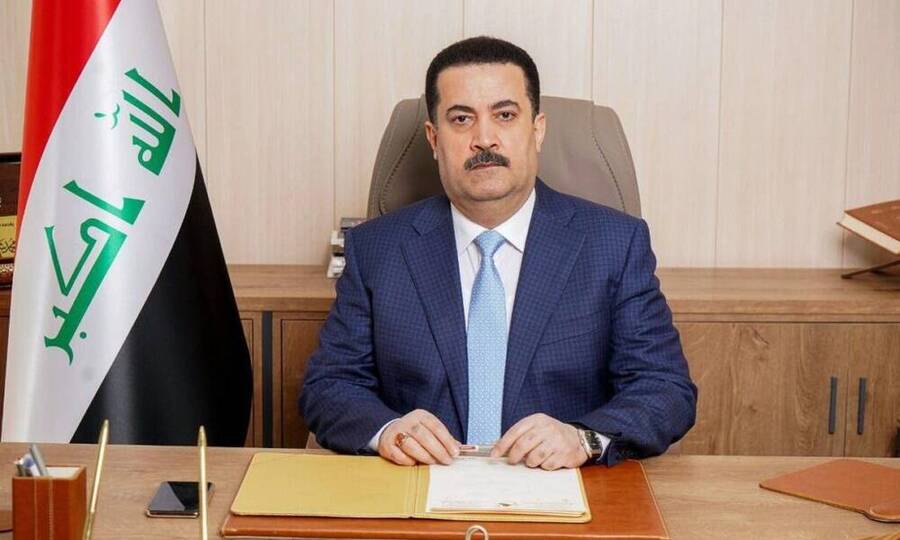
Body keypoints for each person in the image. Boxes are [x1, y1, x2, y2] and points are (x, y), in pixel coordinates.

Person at [301, 36, 696, 470]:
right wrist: (388, 429)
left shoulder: (614, 244)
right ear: (433, 138)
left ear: (537, 130)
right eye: (461, 119)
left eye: (505, 115)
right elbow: (329, 386)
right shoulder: (378, 248)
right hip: (420, 484)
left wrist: (582, 437)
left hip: (560, 487)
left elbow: (665, 389)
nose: (484, 139)